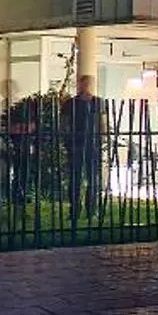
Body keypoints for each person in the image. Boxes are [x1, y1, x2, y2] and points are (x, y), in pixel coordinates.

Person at [64, 72, 105, 224]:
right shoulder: (71, 103)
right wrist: (68, 141)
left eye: (88, 83)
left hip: (92, 144)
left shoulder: (97, 102)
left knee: (93, 178)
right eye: (84, 83)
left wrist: (102, 138)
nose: (86, 86)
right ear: (80, 85)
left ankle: (91, 209)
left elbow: (102, 121)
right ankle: (74, 210)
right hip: (76, 143)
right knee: (75, 179)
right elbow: (66, 123)